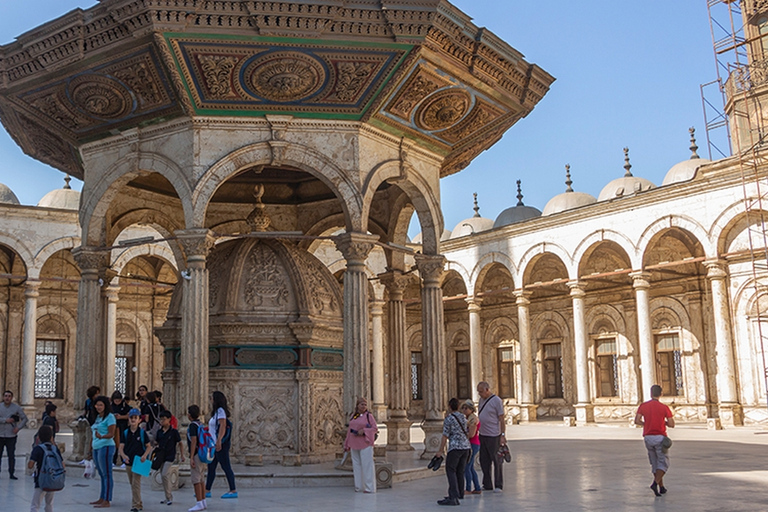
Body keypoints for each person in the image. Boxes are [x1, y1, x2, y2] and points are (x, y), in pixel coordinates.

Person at [634, 384, 675, 497]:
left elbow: (637, 420)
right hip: (660, 437)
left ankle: (661, 487)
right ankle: (655, 483)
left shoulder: (643, 406)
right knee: (664, 463)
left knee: (655, 462)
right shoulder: (664, 408)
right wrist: (664, 422)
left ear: (651, 393)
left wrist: (646, 424)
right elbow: (672, 424)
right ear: (661, 394)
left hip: (648, 437)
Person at [436, 397, 472, 506]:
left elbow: (445, 435)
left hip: (455, 447)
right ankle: (460, 493)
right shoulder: (463, 417)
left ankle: (453, 496)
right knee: (460, 471)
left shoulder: (449, 418)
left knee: (451, 470)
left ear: (450, 407)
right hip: (465, 447)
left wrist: (440, 451)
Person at [205, 391, 237, 499]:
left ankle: (233, 490)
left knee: (226, 466)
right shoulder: (216, 413)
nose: (211, 399)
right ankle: (207, 489)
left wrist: (219, 441)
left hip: (219, 444)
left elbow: (222, 426)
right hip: (213, 444)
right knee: (211, 467)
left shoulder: (220, 411)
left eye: (212, 398)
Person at [117, 409, 151, 512]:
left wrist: (144, 455)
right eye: (131, 417)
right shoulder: (126, 433)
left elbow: (148, 446)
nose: (133, 420)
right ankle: (138, 503)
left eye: (135, 418)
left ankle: (136, 505)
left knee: (136, 483)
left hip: (138, 462)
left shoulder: (142, 433)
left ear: (139, 420)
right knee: (133, 483)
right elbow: (121, 447)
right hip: (129, 462)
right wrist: (123, 456)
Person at [343, 397, 378, 494]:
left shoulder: (369, 416)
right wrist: (347, 443)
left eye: (365, 405)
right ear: (357, 405)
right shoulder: (353, 416)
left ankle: (369, 487)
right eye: (362, 404)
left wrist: (364, 431)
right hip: (354, 443)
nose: (363, 406)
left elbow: (375, 428)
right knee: (356, 465)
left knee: (367, 465)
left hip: (365, 443)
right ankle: (358, 486)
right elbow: (349, 430)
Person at [476, 381, 505, 492]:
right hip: (483, 435)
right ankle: (487, 484)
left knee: (496, 460)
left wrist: (502, 434)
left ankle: (498, 484)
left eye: (481, 392)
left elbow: (501, 419)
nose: (480, 394)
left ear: (487, 390)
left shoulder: (496, 401)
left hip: (494, 435)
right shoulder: (480, 400)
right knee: (484, 460)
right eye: (479, 392)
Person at [28, 425, 63, 512]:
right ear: (51, 437)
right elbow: (63, 464)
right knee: (49, 503)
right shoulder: (55, 449)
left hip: (41, 480)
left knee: (35, 505)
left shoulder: (38, 449)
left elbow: (30, 465)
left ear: (39, 437)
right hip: (52, 478)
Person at [90, 395, 116, 508]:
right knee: (101, 474)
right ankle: (102, 497)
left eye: (101, 405)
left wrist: (102, 436)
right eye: (97, 405)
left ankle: (107, 499)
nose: (98, 407)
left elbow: (112, 434)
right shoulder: (98, 417)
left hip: (106, 446)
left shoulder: (110, 417)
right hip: (96, 447)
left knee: (107, 474)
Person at [155, 410, 184, 505]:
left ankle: (169, 496)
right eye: (161, 419)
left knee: (164, 474)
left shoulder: (174, 432)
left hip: (170, 456)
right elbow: (157, 443)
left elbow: (180, 443)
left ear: (169, 420)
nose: (162, 421)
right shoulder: (159, 432)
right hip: (161, 456)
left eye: (164, 419)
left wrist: (182, 455)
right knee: (163, 476)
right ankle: (167, 496)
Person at [0, 390, 28, 480]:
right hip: (0, 435)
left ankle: (11, 473)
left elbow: (24, 419)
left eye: (9, 396)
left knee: (11, 455)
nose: (7, 398)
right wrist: (5, 420)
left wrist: (18, 428)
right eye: (5, 396)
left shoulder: (16, 408)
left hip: (11, 435)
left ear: (11, 398)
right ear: (3, 397)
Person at [186, 405, 208, 512]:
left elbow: (193, 441)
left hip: (196, 454)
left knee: (196, 479)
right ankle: (203, 501)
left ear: (189, 415)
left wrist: (191, 457)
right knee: (201, 479)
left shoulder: (192, 426)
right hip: (202, 453)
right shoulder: (200, 424)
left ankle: (199, 502)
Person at [461, 400, 481, 495]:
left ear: (471, 409)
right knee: (471, 467)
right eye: (463, 408)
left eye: (466, 408)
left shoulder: (472, 419)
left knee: (467, 467)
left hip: (473, 444)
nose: (464, 410)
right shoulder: (468, 418)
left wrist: (461, 435)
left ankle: (468, 488)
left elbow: (472, 434)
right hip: (471, 444)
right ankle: (477, 487)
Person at [110, 392, 130, 465]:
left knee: (123, 443)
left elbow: (129, 415)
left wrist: (120, 417)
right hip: (113, 426)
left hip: (123, 426)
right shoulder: (110, 406)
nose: (117, 402)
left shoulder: (125, 406)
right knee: (114, 444)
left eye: (119, 400)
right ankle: (113, 460)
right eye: (116, 401)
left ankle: (124, 460)